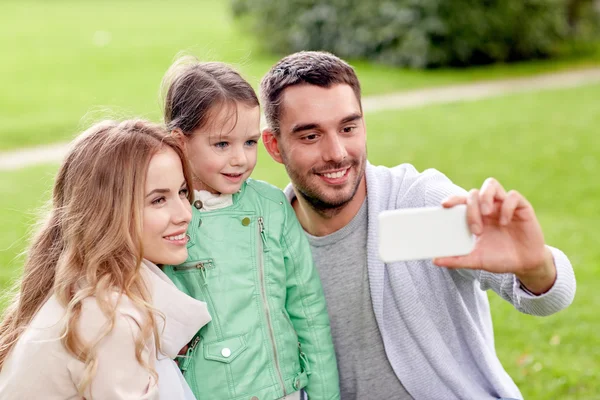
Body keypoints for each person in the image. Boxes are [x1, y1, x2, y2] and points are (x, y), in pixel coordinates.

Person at [259, 51, 576, 400]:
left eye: (348, 128)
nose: (337, 152)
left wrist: (536, 267)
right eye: (310, 136)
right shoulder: (265, 242)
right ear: (274, 145)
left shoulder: (418, 199)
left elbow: (551, 299)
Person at [159, 57, 340, 400]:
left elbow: (308, 309)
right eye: (222, 144)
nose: (240, 158)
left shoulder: (271, 207)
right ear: (180, 141)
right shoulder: (166, 217)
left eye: (249, 142)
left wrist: (325, 395)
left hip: (288, 390)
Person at [0, 120, 211, 399]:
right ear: (107, 212)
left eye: (182, 192)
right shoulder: (107, 317)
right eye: (158, 200)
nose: (184, 213)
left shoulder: (85, 286)